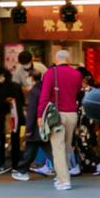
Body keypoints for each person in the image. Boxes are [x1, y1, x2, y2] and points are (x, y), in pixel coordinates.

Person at [27, 47, 85, 189]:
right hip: (72, 114)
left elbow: (45, 97)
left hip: (56, 115)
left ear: (56, 59)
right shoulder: (77, 74)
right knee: (66, 147)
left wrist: (40, 115)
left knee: (58, 148)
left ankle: (64, 180)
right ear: (69, 60)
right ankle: (62, 176)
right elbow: (77, 92)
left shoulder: (50, 73)